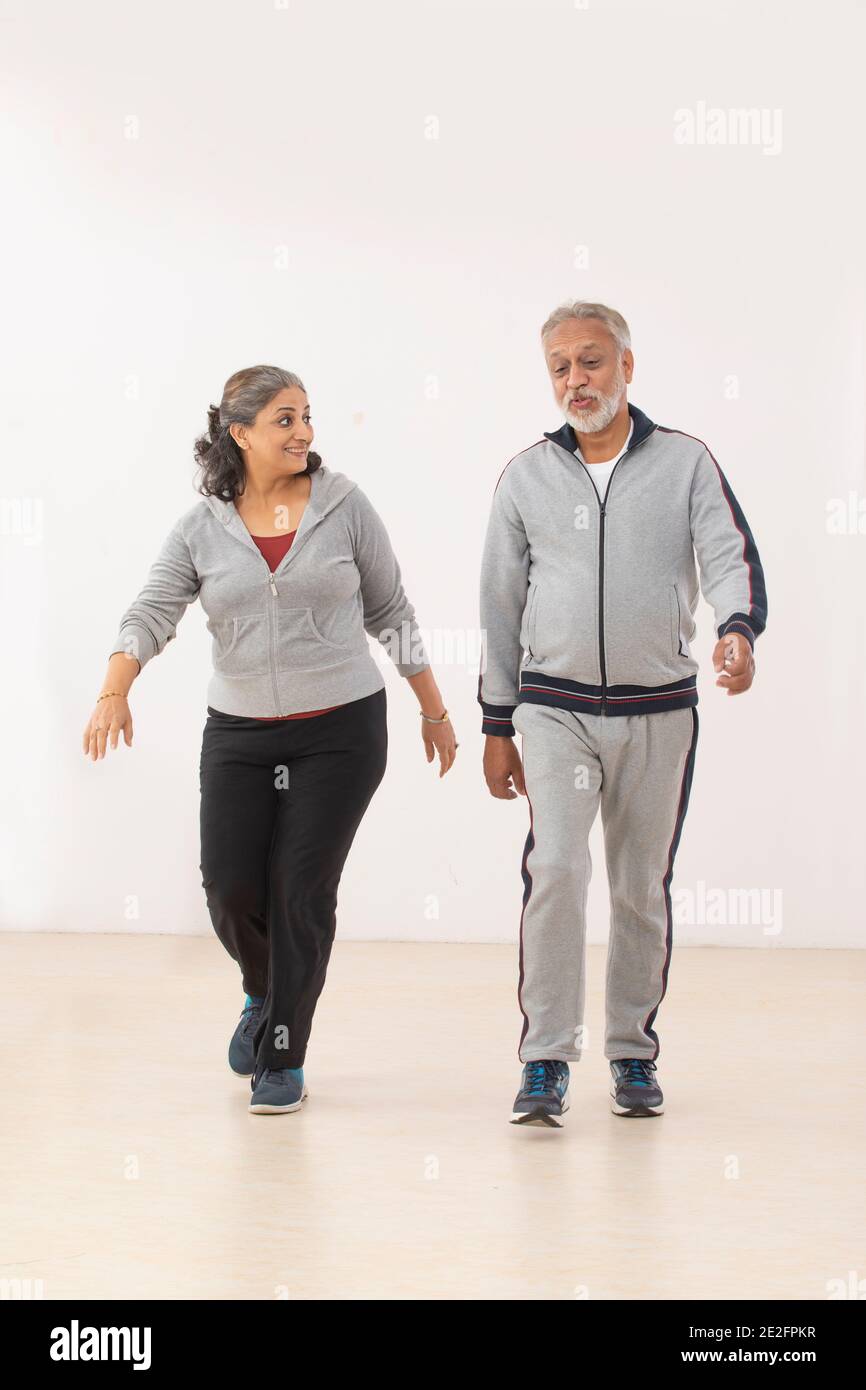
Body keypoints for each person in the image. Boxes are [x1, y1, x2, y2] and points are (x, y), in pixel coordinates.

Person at [84, 365, 457, 1115]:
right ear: (240, 432)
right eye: (285, 419)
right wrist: (114, 688)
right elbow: (151, 609)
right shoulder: (201, 528)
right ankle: (264, 989)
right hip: (240, 732)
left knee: (300, 890)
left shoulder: (344, 506)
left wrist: (434, 710)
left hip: (342, 729)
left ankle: (284, 1052)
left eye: (308, 416)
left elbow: (392, 609)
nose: (305, 433)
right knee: (229, 889)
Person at [478, 302, 767, 1127]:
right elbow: (499, 606)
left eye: (592, 362)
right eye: (562, 367)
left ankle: (632, 1053)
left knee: (640, 887)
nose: (577, 380)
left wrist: (738, 631)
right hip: (553, 708)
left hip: (659, 711)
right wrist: (498, 723)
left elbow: (727, 552)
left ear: (627, 367)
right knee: (559, 870)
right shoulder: (526, 477)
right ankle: (545, 1060)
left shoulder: (685, 463)